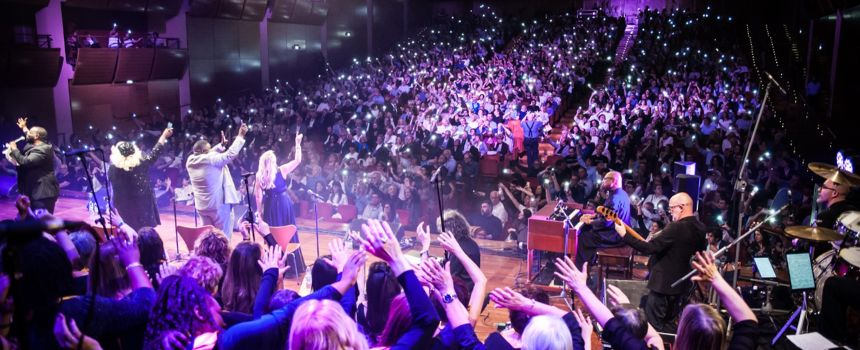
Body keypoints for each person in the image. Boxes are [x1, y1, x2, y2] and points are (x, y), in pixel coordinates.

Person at [612, 192, 707, 332]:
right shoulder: (700, 228)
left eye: (672, 208)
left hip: (662, 285)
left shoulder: (676, 227)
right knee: (668, 324)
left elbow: (649, 248)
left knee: (654, 326)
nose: (670, 212)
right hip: (681, 286)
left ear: (681, 207)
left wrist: (624, 235)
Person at [254, 134, 306, 273]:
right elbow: (257, 196)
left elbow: (258, 197)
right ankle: (287, 265)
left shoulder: (269, 173)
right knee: (281, 232)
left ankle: (280, 265)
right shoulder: (270, 173)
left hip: (276, 204)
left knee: (279, 232)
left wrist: (259, 212)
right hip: (278, 204)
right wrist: (297, 143)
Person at [186, 123, 248, 239]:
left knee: (207, 238)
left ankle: (208, 256)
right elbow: (230, 154)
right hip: (218, 207)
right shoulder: (211, 159)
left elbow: (206, 153)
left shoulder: (190, 160)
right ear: (204, 151)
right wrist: (240, 136)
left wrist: (220, 145)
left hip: (202, 207)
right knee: (223, 238)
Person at [108, 127, 173, 230]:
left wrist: (111, 207)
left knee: (127, 233)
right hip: (142, 208)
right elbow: (154, 153)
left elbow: (113, 191)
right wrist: (164, 136)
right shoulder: (141, 163)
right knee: (143, 234)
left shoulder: (113, 168)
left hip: (123, 208)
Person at [574, 170, 631, 268]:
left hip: (614, 236)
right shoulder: (622, 194)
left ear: (613, 181)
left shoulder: (615, 198)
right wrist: (593, 216)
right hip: (618, 232)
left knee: (582, 237)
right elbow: (606, 213)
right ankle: (589, 263)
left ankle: (582, 270)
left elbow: (606, 223)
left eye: (605, 179)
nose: (603, 181)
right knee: (587, 231)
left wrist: (590, 221)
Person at [7, 117, 59, 213]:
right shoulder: (37, 144)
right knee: (36, 221)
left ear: (37, 136)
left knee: (43, 222)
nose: (28, 134)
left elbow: (25, 162)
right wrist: (24, 128)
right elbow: (29, 136)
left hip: (43, 193)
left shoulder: (42, 150)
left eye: (30, 132)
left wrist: (14, 149)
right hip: (36, 191)